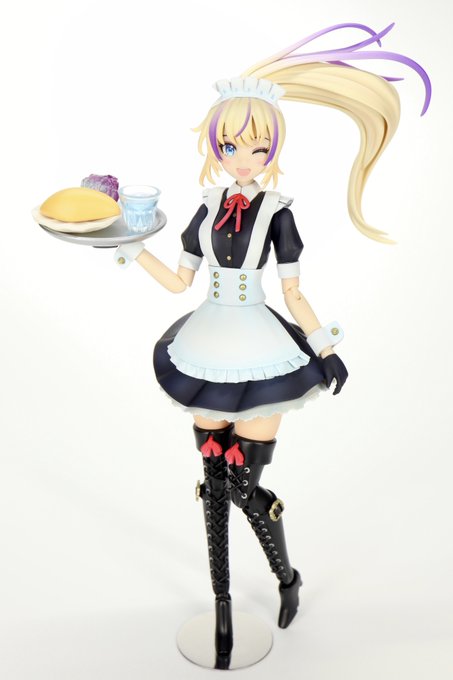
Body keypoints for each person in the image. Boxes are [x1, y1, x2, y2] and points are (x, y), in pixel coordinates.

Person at [114, 23, 430, 666]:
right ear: (215, 146)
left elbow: (293, 291)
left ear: (274, 150)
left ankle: (287, 576)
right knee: (212, 484)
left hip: (260, 344)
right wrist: (127, 245)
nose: (243, 158)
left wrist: (324, 347)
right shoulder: (207, 206)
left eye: (257, 147)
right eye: (231, 145)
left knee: (240, 483)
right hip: (207, 339)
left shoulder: (278, 212)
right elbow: (179, 281)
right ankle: (222, 600)